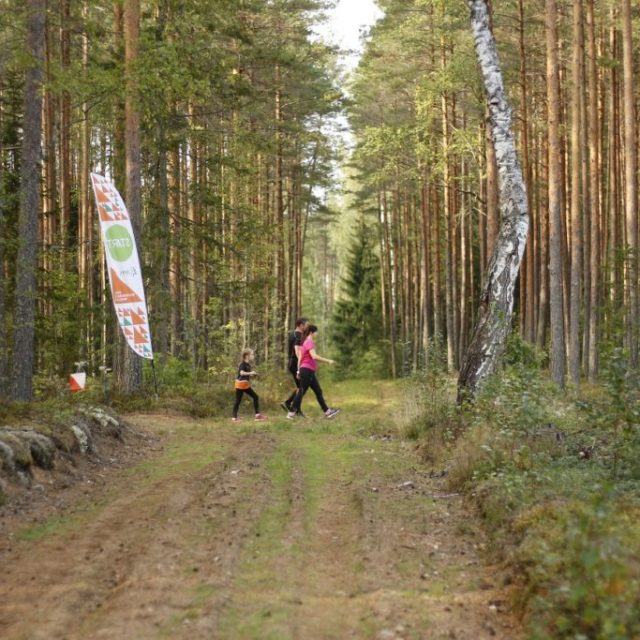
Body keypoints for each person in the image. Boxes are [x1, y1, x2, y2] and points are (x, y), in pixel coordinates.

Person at [288, 325, 340, 419]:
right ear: (312, 332)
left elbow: (300, 358)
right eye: (316, 332)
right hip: (307, 370)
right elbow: (314, 356)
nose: (317, 334)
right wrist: (328, 361)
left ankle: (327, 411)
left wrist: (298, 371)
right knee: (301, 391)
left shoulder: (304, 342)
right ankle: (291, 413)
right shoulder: (309, 341)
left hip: (307, 370)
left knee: (318, 391)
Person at [281, 317, 308, 414]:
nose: (307, 327)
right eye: (306, 325)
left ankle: (289, 403)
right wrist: (301, 365)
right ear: (301, 325)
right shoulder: (299, 335)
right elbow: (297, 351)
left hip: (291, 362)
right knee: (302, 387)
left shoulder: (292, 334)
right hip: (295, 363)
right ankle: (295, 409)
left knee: (300, 387)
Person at [232, 349, 268, 422]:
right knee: (238, 401)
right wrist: (250, 372)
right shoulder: (242, 364)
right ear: (247, 356)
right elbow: (241, 373)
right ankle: (234, 418)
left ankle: (257, 415)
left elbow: (246, 375)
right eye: (252, 354)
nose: (253, 356)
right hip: (240, 384)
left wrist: (253, 375)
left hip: (245, 385)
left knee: (255, 397)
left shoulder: (248, 365)